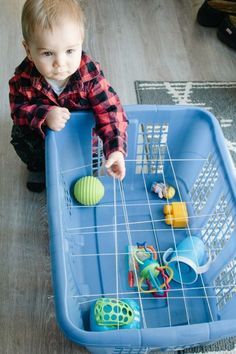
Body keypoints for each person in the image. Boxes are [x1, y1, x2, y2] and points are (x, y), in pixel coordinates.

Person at [9, 0, 128, 192]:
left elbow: (111, 111)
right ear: (29, 51)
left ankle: (79, 165)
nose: (60, 63)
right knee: (21, 135)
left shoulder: (90, 77)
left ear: (81, 43)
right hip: (41, 137)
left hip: (79, 138)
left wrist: (115, 150)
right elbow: (18, 111)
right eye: (48, 53)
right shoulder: (23, 79)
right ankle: (39, 168)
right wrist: (44, 115)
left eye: (70, 51)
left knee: (90, 151)